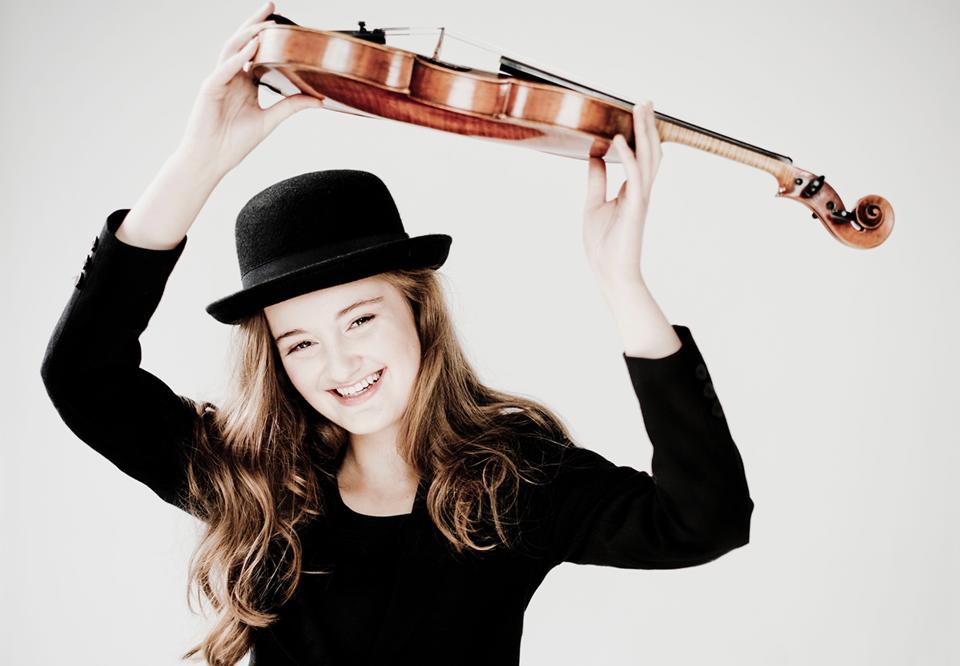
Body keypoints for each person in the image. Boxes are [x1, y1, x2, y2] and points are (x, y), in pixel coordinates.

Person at [40, 2, 754, 665]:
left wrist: (623, 284)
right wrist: (201, 158)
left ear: (418, 313)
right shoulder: (255, 482)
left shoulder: (511, 480)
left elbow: (704, 522)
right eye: (300, 343)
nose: (339, 363)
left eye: (360, 318)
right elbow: (82, 375)